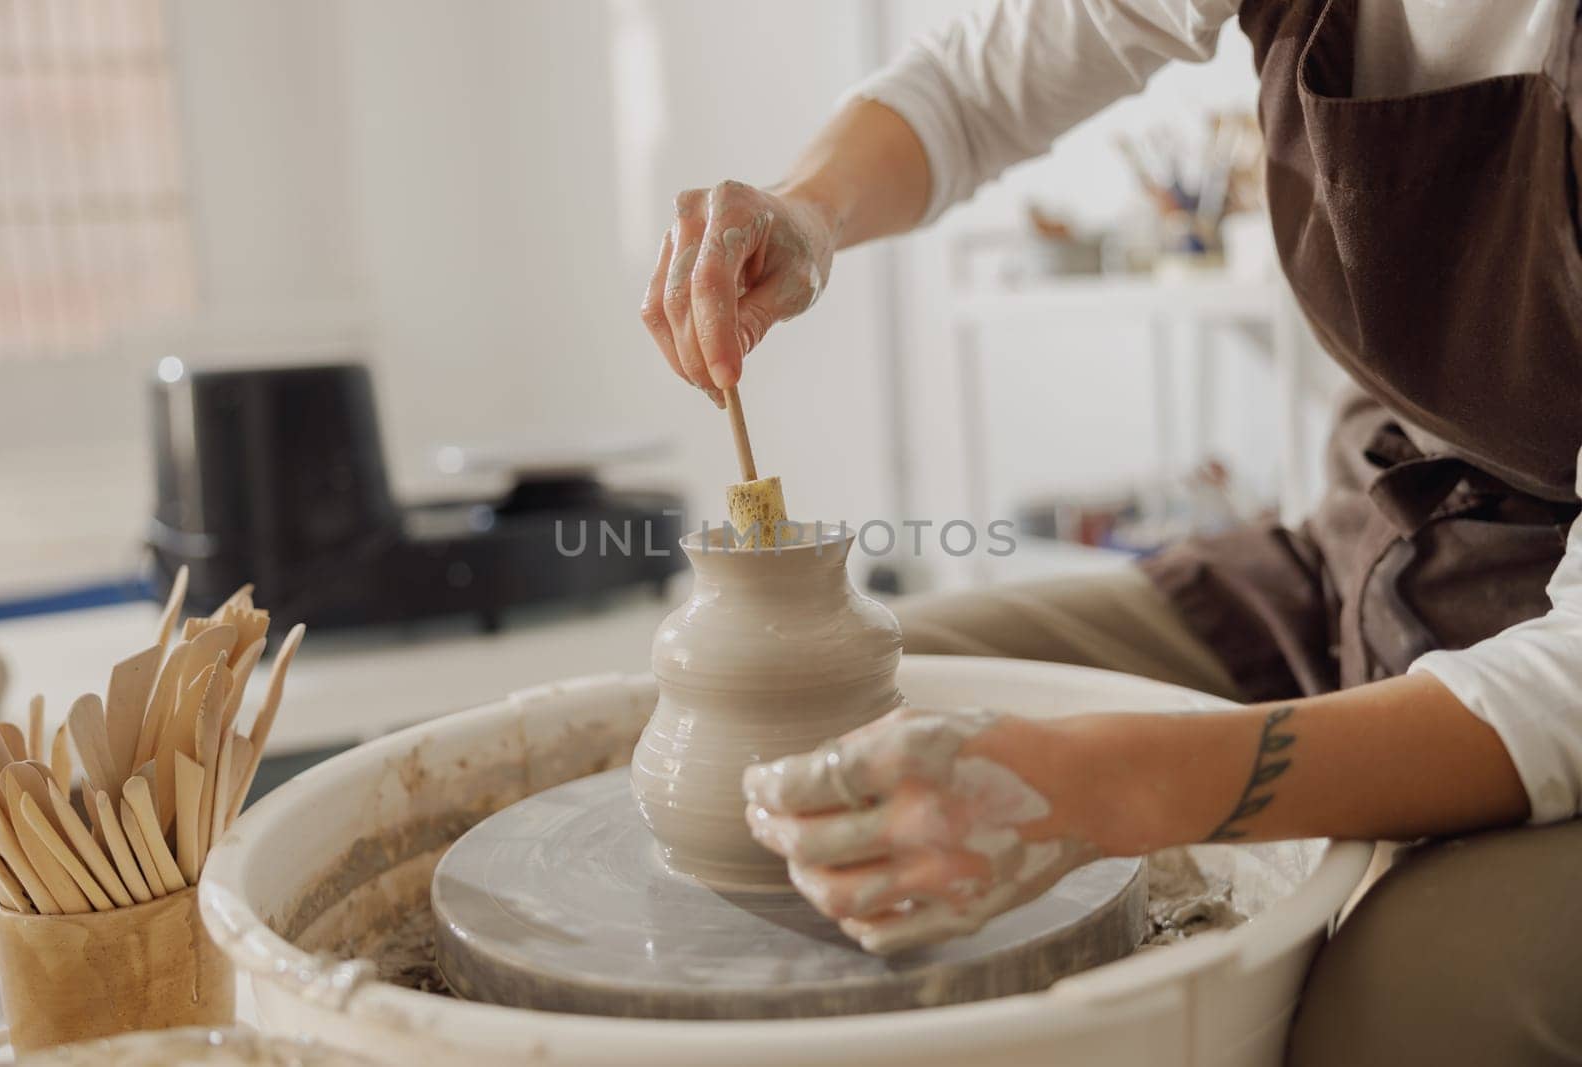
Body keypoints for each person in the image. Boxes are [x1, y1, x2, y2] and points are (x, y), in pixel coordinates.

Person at [639, 2, 1582, 1063]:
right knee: (844, 727)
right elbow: (978, 83)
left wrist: (1125, 782)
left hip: (1545, 642)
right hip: (1369, 554)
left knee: (1408, 1005)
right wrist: (807, 207)